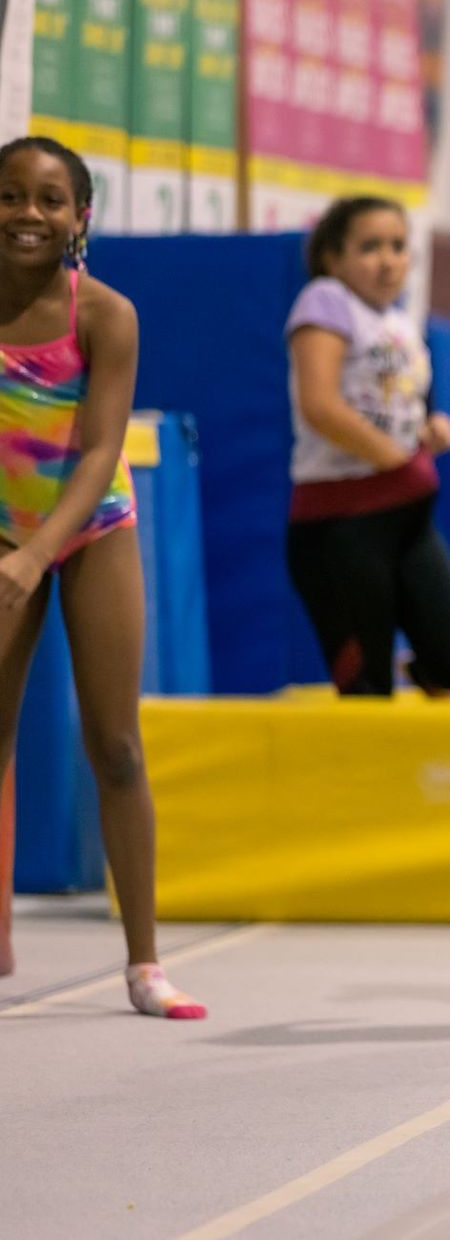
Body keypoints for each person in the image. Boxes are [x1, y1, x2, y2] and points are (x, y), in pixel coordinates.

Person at [0, 136, 204, 1017]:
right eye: (10, 195)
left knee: (115, 746)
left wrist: (37, 552)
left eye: (50, 199)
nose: (27, 214)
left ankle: (145, 963)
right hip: (3, 528)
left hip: (90, 528)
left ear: (81, 218)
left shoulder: (104, 315)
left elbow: (99, 451)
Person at [285, 196, 450, 696]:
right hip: (341, 522)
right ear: (333, 257)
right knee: (367, 684)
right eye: (370, 247)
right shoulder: (327, 299)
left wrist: (429, 430)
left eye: (398, 246)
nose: (388, 259)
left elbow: (397, 407)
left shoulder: (401, 324)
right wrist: (395, 460)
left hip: (408, 520)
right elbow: (320, 405)